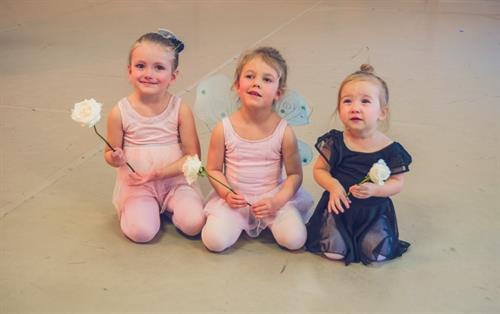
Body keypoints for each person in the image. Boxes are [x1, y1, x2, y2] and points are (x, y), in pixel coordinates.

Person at [201, 47, 314, 252]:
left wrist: (276, 202)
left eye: (267, 79)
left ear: (278, 93)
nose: (257, 83)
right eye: (250, 76)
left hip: (272, 199)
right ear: (237, 85)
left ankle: (277, 221)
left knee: (295, 239)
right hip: (236, 200)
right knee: (214, 240)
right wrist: (226, 194)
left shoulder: (284, 132)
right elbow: (213, 169)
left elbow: (295, 175)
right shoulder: (223, 129)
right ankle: (232, 222)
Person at [105, 29, 205, 243]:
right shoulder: (119, 112)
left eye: (159, 67)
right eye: (141, 66)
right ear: (129, 70)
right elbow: (110, 153)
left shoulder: (180, 109)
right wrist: (115, 157)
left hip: (175, 181)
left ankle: (172, 207)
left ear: (173, 76)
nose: (148, 73)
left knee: (194, 223)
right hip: (139, 184)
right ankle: (138, 211)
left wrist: (160, 173)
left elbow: (192, 157)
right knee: (142, 233)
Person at [306, 64, 412, 265]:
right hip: (339, 210)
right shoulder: (335, 142)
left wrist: (376, 189)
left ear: (382, 112)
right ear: (339, 109)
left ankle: (367, 235)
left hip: (372, 212)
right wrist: (333, 186)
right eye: (347, 101)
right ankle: (337, 233)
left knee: (377, 254)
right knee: (334, 252)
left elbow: (397, 182)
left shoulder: (391, 149)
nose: (355, 107)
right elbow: (319, 170)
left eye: (365, 101)